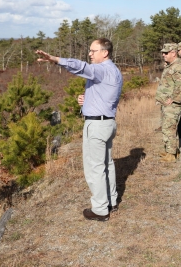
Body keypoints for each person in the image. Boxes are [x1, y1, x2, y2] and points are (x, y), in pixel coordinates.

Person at [35, 38, 123, 222]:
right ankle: (111, 201)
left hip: (97, 126)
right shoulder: (113, 70)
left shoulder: (101, 69)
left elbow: (81, 67)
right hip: (107, 123)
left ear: (104, 52)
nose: (90, 54)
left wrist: (55, 59)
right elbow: (107, 97)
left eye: (93, 50)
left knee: (95, 168)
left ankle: (100, 210)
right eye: (89, 50)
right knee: (107, 164)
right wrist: (88, 99)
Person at [156, 43, 181, 163]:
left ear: (173, 53)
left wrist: (174, 99)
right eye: (163, 52)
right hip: (167, 102)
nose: (163, 55)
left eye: (166, 53)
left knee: (169, 127)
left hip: (173, 104)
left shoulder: (177, 66)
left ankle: (171, 154)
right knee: (167, 127)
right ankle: (171, 150)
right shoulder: (171, 65)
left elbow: (180, 85)